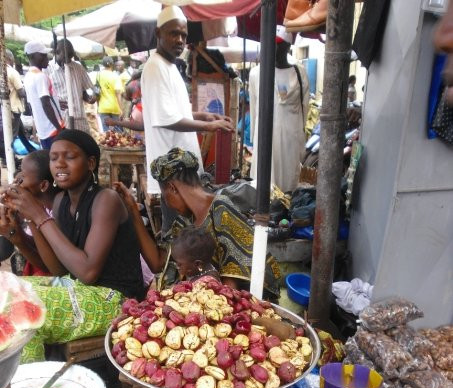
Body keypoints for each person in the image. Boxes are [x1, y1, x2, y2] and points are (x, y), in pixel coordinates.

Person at [2, 129, 144, 362]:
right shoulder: (61, 201)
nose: (59, 164)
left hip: (116, 299)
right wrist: (28, 217)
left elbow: (88, 272)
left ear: (90, 163)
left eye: (69, 157)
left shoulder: (106, 199)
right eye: (54, 157)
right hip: (78, 287)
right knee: (7, 287)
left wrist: (39, 215)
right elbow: (58, 269)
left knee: (19, 309)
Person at [115, 147, 281, 300]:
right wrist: (133, 212)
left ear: (172, 188)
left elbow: (232, 285)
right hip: (206, 300)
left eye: (164, 196)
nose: (167, 203)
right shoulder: (185, 221)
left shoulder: (221, 209)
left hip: (235, 303)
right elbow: (158, 262)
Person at [141, 5, 234, 231]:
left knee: (188, 233)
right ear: (158, 34)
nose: (180, 39)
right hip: (171, 172)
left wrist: (202, 115)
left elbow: (174, 111)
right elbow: (166, 119)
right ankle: (169, 266)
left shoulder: (170, 66)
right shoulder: (155, 68)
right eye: (173, 33)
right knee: (176, 235)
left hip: (183, 168)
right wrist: (209, 125)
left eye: (183, 34)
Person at [249, 26, 309, 193]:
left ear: (288, 46)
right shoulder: (256, 73)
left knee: (288, 185)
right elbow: (254, 109)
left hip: (291, 139)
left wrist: (300, 138)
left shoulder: (300, 73)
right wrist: (255, 138)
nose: (274, 49)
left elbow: (305, 106)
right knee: (263, 187)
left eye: (279, 44)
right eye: (271, 44)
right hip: (265, 139)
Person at [0, 150, 55, 276]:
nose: (16, 184)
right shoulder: (39, 207)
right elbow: (35, 244)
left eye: (22, 178)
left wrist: (15, 235)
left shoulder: (54, 214)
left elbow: (48, 266)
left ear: (43, 185)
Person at [46, 39, 95, 134]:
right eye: (65, 56)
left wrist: (89, 98)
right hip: (62, 120)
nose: (68, 60)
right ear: (57, 52)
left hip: (80, 118)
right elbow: (46, 99)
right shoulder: (48, 70)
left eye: (70, 57)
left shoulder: (78, 68)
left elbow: (84, 91)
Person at [23, 41, 65, 150]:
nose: (47, 58)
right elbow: (45, 104)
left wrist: (58, 103)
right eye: (42, 55)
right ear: (32, 56)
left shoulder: (28, 76)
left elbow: (35, 102)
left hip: (43, 131)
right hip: (53, 129)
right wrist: (59, 128)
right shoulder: (40, 76)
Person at [5, 49, 36, 154]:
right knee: (12, 136)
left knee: (21, 132)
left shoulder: (2, 71)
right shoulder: (12, 72)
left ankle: (30, 149)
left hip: (6, 110)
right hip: (14, 108)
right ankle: (7, 158)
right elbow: (21, 92)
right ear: (10, 59)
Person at [97, 56, 123, 132]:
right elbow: (118, 94)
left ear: (103, 65)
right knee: (118, 131)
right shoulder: (115, 76)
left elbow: (97, 92)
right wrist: (121, 109)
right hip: (115, 107)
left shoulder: (98, 75)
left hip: (103, 107)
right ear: (112, 65)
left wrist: (98, 107)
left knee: (106, 133)